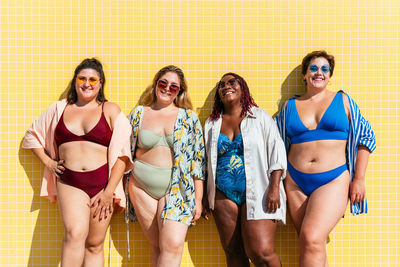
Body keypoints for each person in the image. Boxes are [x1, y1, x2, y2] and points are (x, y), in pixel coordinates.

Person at [22, 58, 133, 266]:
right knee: (75, 233)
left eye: (93, 79)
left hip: (102, 184)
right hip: (70, 182)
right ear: (75, 81)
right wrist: (48, 161)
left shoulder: (110, 110)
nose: (87, 83)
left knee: (95, 244)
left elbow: (123, 154)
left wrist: (109, 192)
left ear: (100, 83)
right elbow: (31, 136)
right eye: (82, 78)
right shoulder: (59, 109)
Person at [275, 50, 376, 266]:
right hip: (295, 182)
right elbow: (273, 144)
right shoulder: (288, 107)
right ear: (304, 75)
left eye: (324, 69)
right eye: (313, 68)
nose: (319, 73)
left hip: (333, 179)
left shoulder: (343, 100)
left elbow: (366, 137)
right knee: (310, 242)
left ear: (330, 75)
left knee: (311, 238)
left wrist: (359, 179)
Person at [204, 73, 287, 267]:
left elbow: (277, 152)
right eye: (221, 84)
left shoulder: (260, 117)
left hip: (259, 190)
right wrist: (204, 195)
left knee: (262, 253)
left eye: (232, 82)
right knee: (234, 253)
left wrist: (275, 187)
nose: (226, 86)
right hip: (222, 194)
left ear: (243, 88)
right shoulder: (212, 123)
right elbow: (206, 160)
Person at [128, 65, 205, 267]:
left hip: (178, 188)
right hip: (141, 187)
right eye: (163, 83)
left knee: (172, 246)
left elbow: (197, 159)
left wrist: (198, 198)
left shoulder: (189, 117)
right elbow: (125, 152)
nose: (167, 88)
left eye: (174, 86)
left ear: (179, 91)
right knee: (158, 247)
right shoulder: (138, 114)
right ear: (156, 85)